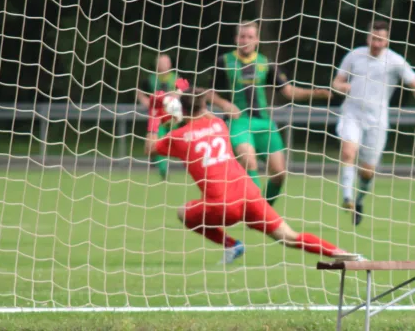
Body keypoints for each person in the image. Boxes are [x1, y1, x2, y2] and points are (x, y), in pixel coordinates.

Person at [144, 84, 363, 264]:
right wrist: (183, 94)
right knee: (290, 237)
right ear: (204, 105)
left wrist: (155, 113)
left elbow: (150, 148)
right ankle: (345, 254)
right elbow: (199, 113)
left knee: (183, 212)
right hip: (249, 194)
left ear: (183, 110)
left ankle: (232, 245)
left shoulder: (180, 137)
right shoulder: (219, 123)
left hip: (222, 205)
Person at [210, 21, 331, 206]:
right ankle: (255, 209)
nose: (246, 40)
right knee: (248, 161)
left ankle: (264, 209)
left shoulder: (265, 63)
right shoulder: (224, 61)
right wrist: (224, 103)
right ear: (236, 39)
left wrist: (315, 93)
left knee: (279, 174)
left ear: (257, 40)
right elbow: (209, 92)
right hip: (239, 122)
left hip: (264, 123)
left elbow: (288, 91)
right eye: (242, 36)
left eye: (250, 37)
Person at [331, 20, 415, 226]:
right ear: (367, 37)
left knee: (367, 171)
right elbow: (336, 81)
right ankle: (347, 197)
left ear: (386, 40)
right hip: (352, 113)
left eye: (381, 39)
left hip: (377, 120)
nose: (376, 43)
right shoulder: (354, 56)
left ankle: (359, 201)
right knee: (348, 152)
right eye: (373, 38)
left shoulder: (395, 61)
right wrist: (343, 87)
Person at [137, 54, 179, 180]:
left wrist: (176, 95)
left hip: (173, 116)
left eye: (166, 62)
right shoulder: (150, 79)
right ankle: (163, 170)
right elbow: (139, 90)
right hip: (157, 117)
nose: (163, 65)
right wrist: (144, 100)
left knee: (174, 142)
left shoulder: (176, 78)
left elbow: (186, 88)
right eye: (160, 63)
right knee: (158, 141)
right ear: (156, 65)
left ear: (170, 64)